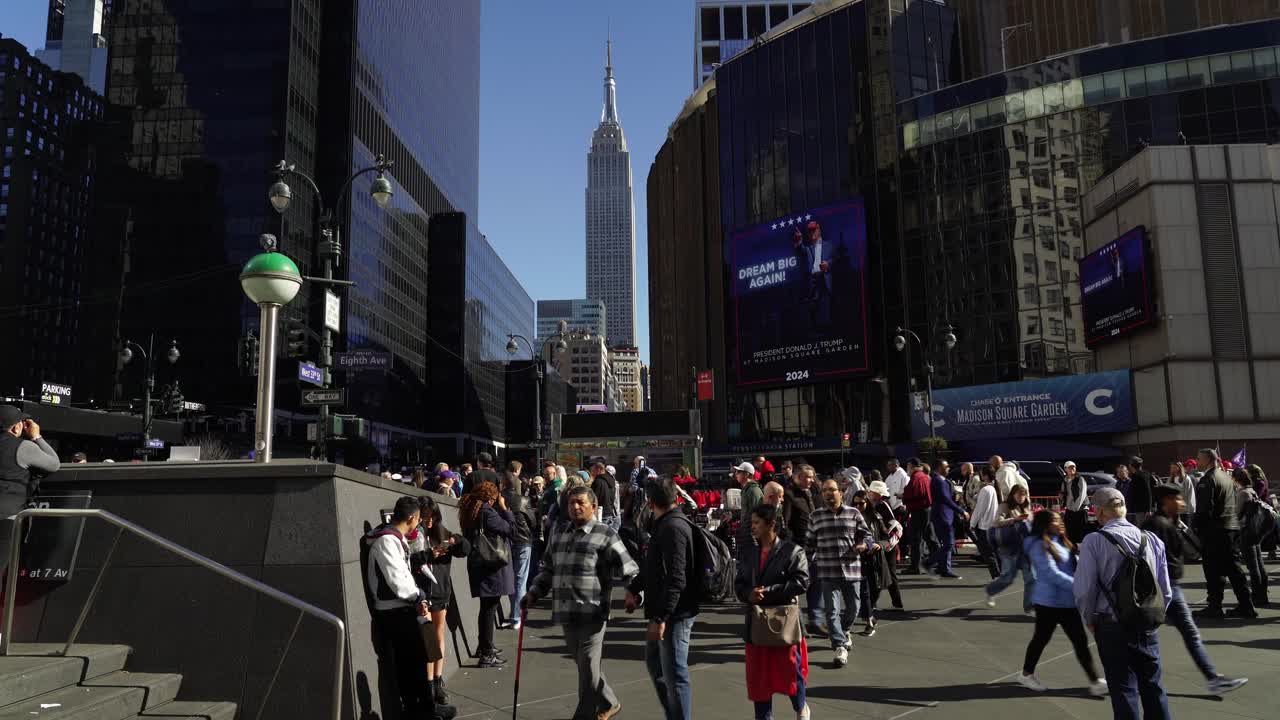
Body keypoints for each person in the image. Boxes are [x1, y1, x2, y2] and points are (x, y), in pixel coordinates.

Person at [522, 487, 638, 720]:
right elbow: (548, 569)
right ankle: (609, 701)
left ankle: (584, 714)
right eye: (571, 503)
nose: (575, 507)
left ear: (593, 507)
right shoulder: (559, 532)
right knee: (586, 667)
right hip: (566, 612)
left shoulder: (605, 533)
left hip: (592, 613)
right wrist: (533, 592)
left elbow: (630, 568)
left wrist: (633, 593)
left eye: (581, 503)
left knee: (586, 666)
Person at [1073, 488, 1172, 720]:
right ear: (1124, 509)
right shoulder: (1152, 540)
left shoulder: (1094, 541)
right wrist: (1154, 616)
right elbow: (1165, 590)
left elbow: (1085, 589)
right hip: (1147, 623)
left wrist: (1089, 619)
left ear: (1099, 512)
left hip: (1112, 624)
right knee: (1153, 687)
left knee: (1124, 689)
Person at [1143, 485, 1249, 695]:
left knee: (1169, 634)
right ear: (1165, 501)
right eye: (1177, 499)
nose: (1182, 503)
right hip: (1164, 588)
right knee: (1170, 634)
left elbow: (1190, 551)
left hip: (1168, 587)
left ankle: (1212, 678)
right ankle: (1211, 678)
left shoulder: (1171, 523)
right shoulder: (1156, 524)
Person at [362, 496, 458, 720]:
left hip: (401, 607)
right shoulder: (386, 541)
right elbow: (397, 580)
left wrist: (417, 598)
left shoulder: (393, 538)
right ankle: (421, 710)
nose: (420, 524)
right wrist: (418, 596)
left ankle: (426, 707)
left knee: (415, 660)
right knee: (411, 663)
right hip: (395, 611)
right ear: (412, 518)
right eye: (419, 519)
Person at [625, 479, 699, 720]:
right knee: (656, 664)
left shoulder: (673, 527)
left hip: (675, 613)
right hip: (667, 610)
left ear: (650, 502)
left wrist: (660, 617)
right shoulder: (665, 524)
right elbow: (652, 567)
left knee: (675, 674)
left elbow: (677, 578)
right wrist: (635, 588)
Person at [1015, 510, 1107, 696]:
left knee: (1079, 641)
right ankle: (1026, 674)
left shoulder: (1059, 540)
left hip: (1067, 602)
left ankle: (1095, 681)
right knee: (1041, 639)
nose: (1061, 523)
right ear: (1045, 524)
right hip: (1048, 602)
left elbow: (1071, 562)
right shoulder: (1037, 544)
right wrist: (1080, 585)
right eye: (1056, 521)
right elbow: (1050, 573)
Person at [735, 504, 810, 720]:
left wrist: (768, 592)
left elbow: (802, 581)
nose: (753, 527)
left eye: (757, 522)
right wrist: (749, 594)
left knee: (790, 671)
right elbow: (739, 583)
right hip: (756, 624)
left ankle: (800, 706)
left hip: (782, 622)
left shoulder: (792, 551)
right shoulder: (749, 552)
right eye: (752, 522)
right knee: (759, 678)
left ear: (771, 524)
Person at [408, 496, 472, 706]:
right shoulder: (413, 535)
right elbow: (408, 561)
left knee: (438, 633)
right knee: (428, 639)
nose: (429, 521)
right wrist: (429, 554)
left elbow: (465, 549)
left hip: (441, 590)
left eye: (433, 517)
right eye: (425, 517)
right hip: (422, 592)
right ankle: (428, 685)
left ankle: (437, 679)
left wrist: (455, 541)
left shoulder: (441, 532)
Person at [806, 478, 870, 667]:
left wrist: (862, 544)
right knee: (832, 611)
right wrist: (805, 567)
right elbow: (809, 544)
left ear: (840, 493)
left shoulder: (854, 513)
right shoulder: (815, 516)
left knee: (854, 608)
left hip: (851, 569)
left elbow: (866, 535)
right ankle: (839, 646)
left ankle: (845, 629)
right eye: (824, 490)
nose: (827, 493)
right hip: (827, 570)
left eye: (831, 490)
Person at [1192, 448, 1256, 619]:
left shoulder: (1208, 479)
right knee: (1234, 569)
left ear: (1207, 460)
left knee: (1213, 570)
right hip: (1230, 527)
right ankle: (1246, 605)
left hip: (1215, 530)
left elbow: (1205, 509)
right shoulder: (1226, 477)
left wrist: (1196, 528)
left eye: (1199, 459)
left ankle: (1215, 606)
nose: (1196, 462)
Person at [459, 480, 515, 667]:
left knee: (486, 608)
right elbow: (510, 529)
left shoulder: (471, 510)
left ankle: (485, 646)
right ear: (490, 497)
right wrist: (505, 509)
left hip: (479, 564)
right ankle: (487, 653)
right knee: (489, 609)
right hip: (491, 565)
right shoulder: (487, 512)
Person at [0, 406, 59, 575]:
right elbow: (54, 464)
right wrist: (36, 437)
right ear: (15, 427)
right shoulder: (23, 447)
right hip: (6, 516)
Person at [854, 483, 903, 634]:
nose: (858, 506)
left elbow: (889, 531)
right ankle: (870, 615)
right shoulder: (851, 516)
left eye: (861, 503)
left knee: (878, 583)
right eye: (855, 503)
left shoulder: (878, 510)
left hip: (878, 553)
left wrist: (880, 545)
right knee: (866, 589)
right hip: (859, 558)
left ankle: (877, 609)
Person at [984, 484, 1035, 611]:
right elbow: (996, 522)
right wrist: (1014, 519)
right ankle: (990, 591)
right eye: (1019, 494)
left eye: (1023, 495)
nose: (1021, 497)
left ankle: (1029, 606)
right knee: (1008, 578)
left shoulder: (1026, 507)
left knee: (1031, 578)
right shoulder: (1005, 506)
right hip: (1009, 547)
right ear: (1013, 494)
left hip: (1025, 549)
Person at [782, 464, 821, 627]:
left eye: (812, 477)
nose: (811, 480)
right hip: (799, 547)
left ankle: (816, 620)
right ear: (797, 477)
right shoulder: (790, 495)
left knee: (816, 582)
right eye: (807, 477)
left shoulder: (814, 493)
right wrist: (794, 547)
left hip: (816, 546)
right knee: (797, 584)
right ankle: (794, 621)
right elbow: (786, 523)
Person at [502, 469, 536, 630]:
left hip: (507, 542)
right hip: (524, 541)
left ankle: (514, 615)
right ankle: (517, 617)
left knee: (511, 580)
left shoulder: (499, 500)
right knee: (520, 580)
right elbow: (532, 521)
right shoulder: (523, 500)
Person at [1232, 468, 1269, 607]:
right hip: (1255, 530)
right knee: (1259, 564)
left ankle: (1257, 596)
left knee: (1253, 567)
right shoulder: (1252, 491)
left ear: (1236, 479)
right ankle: (1262, 594)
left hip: (1246, 531)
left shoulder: (1242, 494)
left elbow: (1237, 514)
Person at [926, 459, 967, 579]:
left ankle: (945, 569)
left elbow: (949, 497)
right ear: (939, 468)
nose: (948, 469)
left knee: (948, 543)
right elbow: (945, 499)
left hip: (946, 516)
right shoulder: (938, 480)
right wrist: (961, 511)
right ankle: (928, 562)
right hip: (942, 516)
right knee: (949, 544)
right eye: (946, 467)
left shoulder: (943, 480)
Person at [901, 458, 934, 574]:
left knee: (916, 539)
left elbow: (913, 494)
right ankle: (927, 563)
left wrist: (903, 496)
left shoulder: (916, 477)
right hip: (925, 510)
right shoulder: (924, 476)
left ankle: (916, 566)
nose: (907, 469)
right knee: (926, 538)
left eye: (908, 467)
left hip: (919, 511)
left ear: (912, 466)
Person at [970, 466, 1001, 579]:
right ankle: (1000, 574)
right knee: (994, 552)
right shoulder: (993, 488)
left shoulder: (986, 490)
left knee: (987, 553)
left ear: (986, 475)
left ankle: (996, 576)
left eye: (982, 474)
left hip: (985, 526)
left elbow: (980, 509)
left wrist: (972, 523)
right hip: (993, 524)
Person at [588, 458, 621, 532]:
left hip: (601, 514)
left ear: (599, 470)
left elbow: (593, 499)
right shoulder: (612, 481)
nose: (592, 474)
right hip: (610, 513)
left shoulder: (598, 482)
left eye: (593, 471)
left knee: (600, 537)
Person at [1062, 461, 1088, 544]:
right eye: (1069, 467)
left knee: (1081, 533)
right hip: (1070, 510)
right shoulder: (1065, 481)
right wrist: (1062, 499)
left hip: (1080, 510)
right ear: (1065, 469)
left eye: (1073, 467)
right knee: (1070, 532)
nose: (1072, 469)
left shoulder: (1080, 479)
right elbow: (1064, 493)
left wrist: (1075, 508)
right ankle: (1072, 549)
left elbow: (1082, 494)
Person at [1127, 456, 1156, 526]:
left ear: (1131, 466)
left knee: (1144, 528)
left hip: (1143, 510)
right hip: (1139, 509)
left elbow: (1148, 492)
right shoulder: (1146, 474)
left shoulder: (1140, 476)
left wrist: (1148, 509)